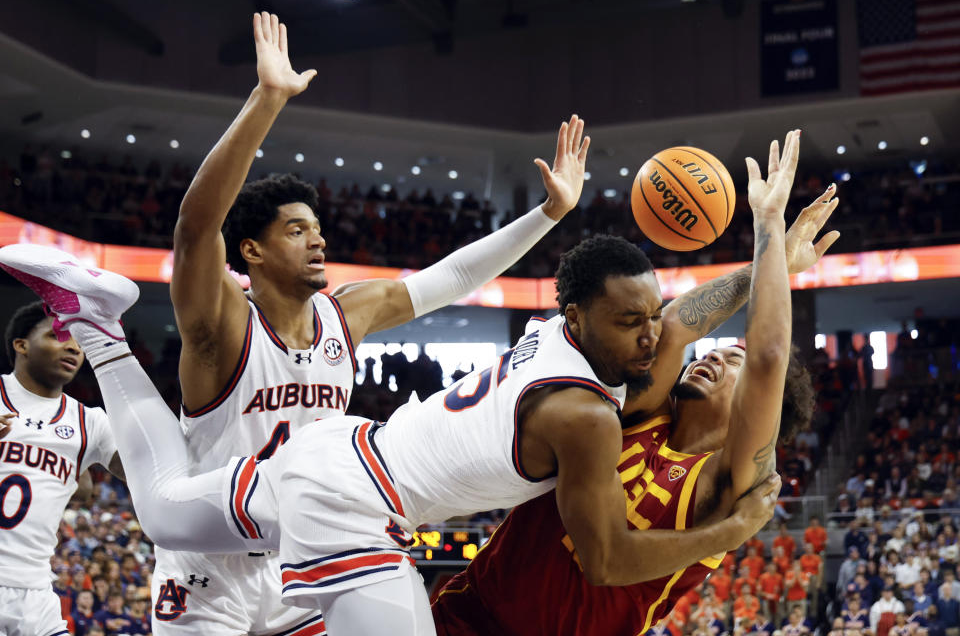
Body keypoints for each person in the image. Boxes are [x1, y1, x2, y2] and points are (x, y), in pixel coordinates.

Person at [0, 210, 785, 635]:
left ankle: (99, 325)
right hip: (356, 508)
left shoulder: (561, 334)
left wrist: (776, 262)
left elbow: (679, 317)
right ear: (581, 320)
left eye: (652, 322)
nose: (654, 337)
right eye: (633, 325)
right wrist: (732, 531)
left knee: (167, 513)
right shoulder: (585, 416)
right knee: (171, 518)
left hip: (340, 452)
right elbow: (609, 561)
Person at [160, 9, 596, 635]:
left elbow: (449, 280)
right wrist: (267, 99)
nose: (317, 241)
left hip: (303, 556)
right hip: (210, 567)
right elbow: (196, 228)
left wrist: (548, 215)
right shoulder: (222, 326)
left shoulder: (348, 313)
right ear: (250, 252)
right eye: (294, 230)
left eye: (317, 229)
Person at [430, 131, 839, 635]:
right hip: (464, 615)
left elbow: (770, 357)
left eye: (733, 361)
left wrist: (770, 223)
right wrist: (767, 267)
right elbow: (678, 326)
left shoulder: (731, 484)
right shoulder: (640, 408)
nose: (712, 356)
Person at [0, 301, 123, 636]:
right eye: (58, 336)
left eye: (80, 342)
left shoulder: (89, 421)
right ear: (21, 345)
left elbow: (151, 473)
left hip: (36, 591)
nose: (73, 346)